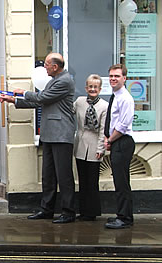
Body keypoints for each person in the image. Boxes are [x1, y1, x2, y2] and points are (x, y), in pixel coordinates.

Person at [0, 53, 76, 224]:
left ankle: (68, 212)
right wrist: (13, 100)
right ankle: (46, 209)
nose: (44, 68)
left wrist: (23, 92)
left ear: (55, 67)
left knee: (64, 176)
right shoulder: (54, 80)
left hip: (61, 135)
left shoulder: (64, 81)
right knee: (48, 175)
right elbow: (41, 102)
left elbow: (42, 98)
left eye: (47, 65)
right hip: (49, 134)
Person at [104, 64, 135, 229]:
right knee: (118, 181)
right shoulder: (115, 96)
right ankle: (121, 214)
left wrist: (109, 140)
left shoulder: (125, 98)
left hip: (123, 142)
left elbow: (123, 126)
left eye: (117, 76)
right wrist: (108, 138)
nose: (113, 79)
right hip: (116, 141)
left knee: (122, 182)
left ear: (124, 78)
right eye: (111, 76)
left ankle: (125, 218)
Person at [73, 74, 108, 221]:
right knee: (82, 180)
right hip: (81, 145)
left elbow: (103, 130)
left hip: (95, 147)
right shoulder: (79, 102)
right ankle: (83, 211)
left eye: (96, 87)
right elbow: (68, 113)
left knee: (92, 181)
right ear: (86, 88)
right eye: (90, 86)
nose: (92, 89)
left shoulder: (104, 106)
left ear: (100, 89)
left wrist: (101, 149)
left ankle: (92, 212)